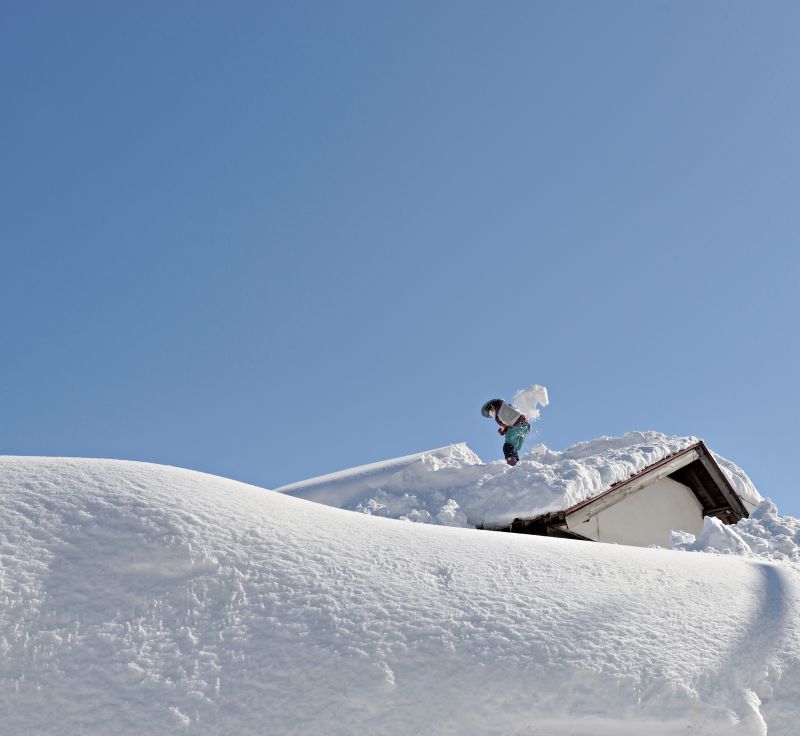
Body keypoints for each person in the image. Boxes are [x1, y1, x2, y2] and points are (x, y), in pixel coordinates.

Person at [481, 398, 530, 466]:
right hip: (526, 426)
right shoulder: (509, 407)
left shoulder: (497, 416)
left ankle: (513, 464)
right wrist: (505, 430)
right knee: (515, 447)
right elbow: (512, 420)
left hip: (517, 427)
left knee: (508, 447)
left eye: (490, 414)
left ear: (492, 408)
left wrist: (503, 431)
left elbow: (505, 425)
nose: (492, 415)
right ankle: (517, 464)